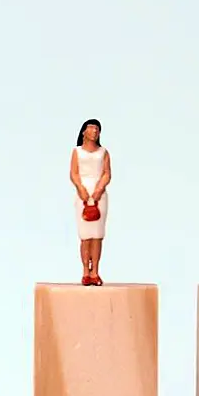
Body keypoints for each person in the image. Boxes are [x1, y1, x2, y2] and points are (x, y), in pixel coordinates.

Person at [70, 118, 112, 285]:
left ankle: (95, 270)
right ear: (84, 132)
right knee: (85, 235)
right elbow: (74, 173)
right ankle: (85, 271)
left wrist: (98, 190)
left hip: (98, 195)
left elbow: (107, 173)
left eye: (97, 129)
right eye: (91, 128)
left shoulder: (103, 152)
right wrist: (81, 188)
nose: (94, 131)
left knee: (97, 235)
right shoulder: (77, 152)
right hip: (83, 195)